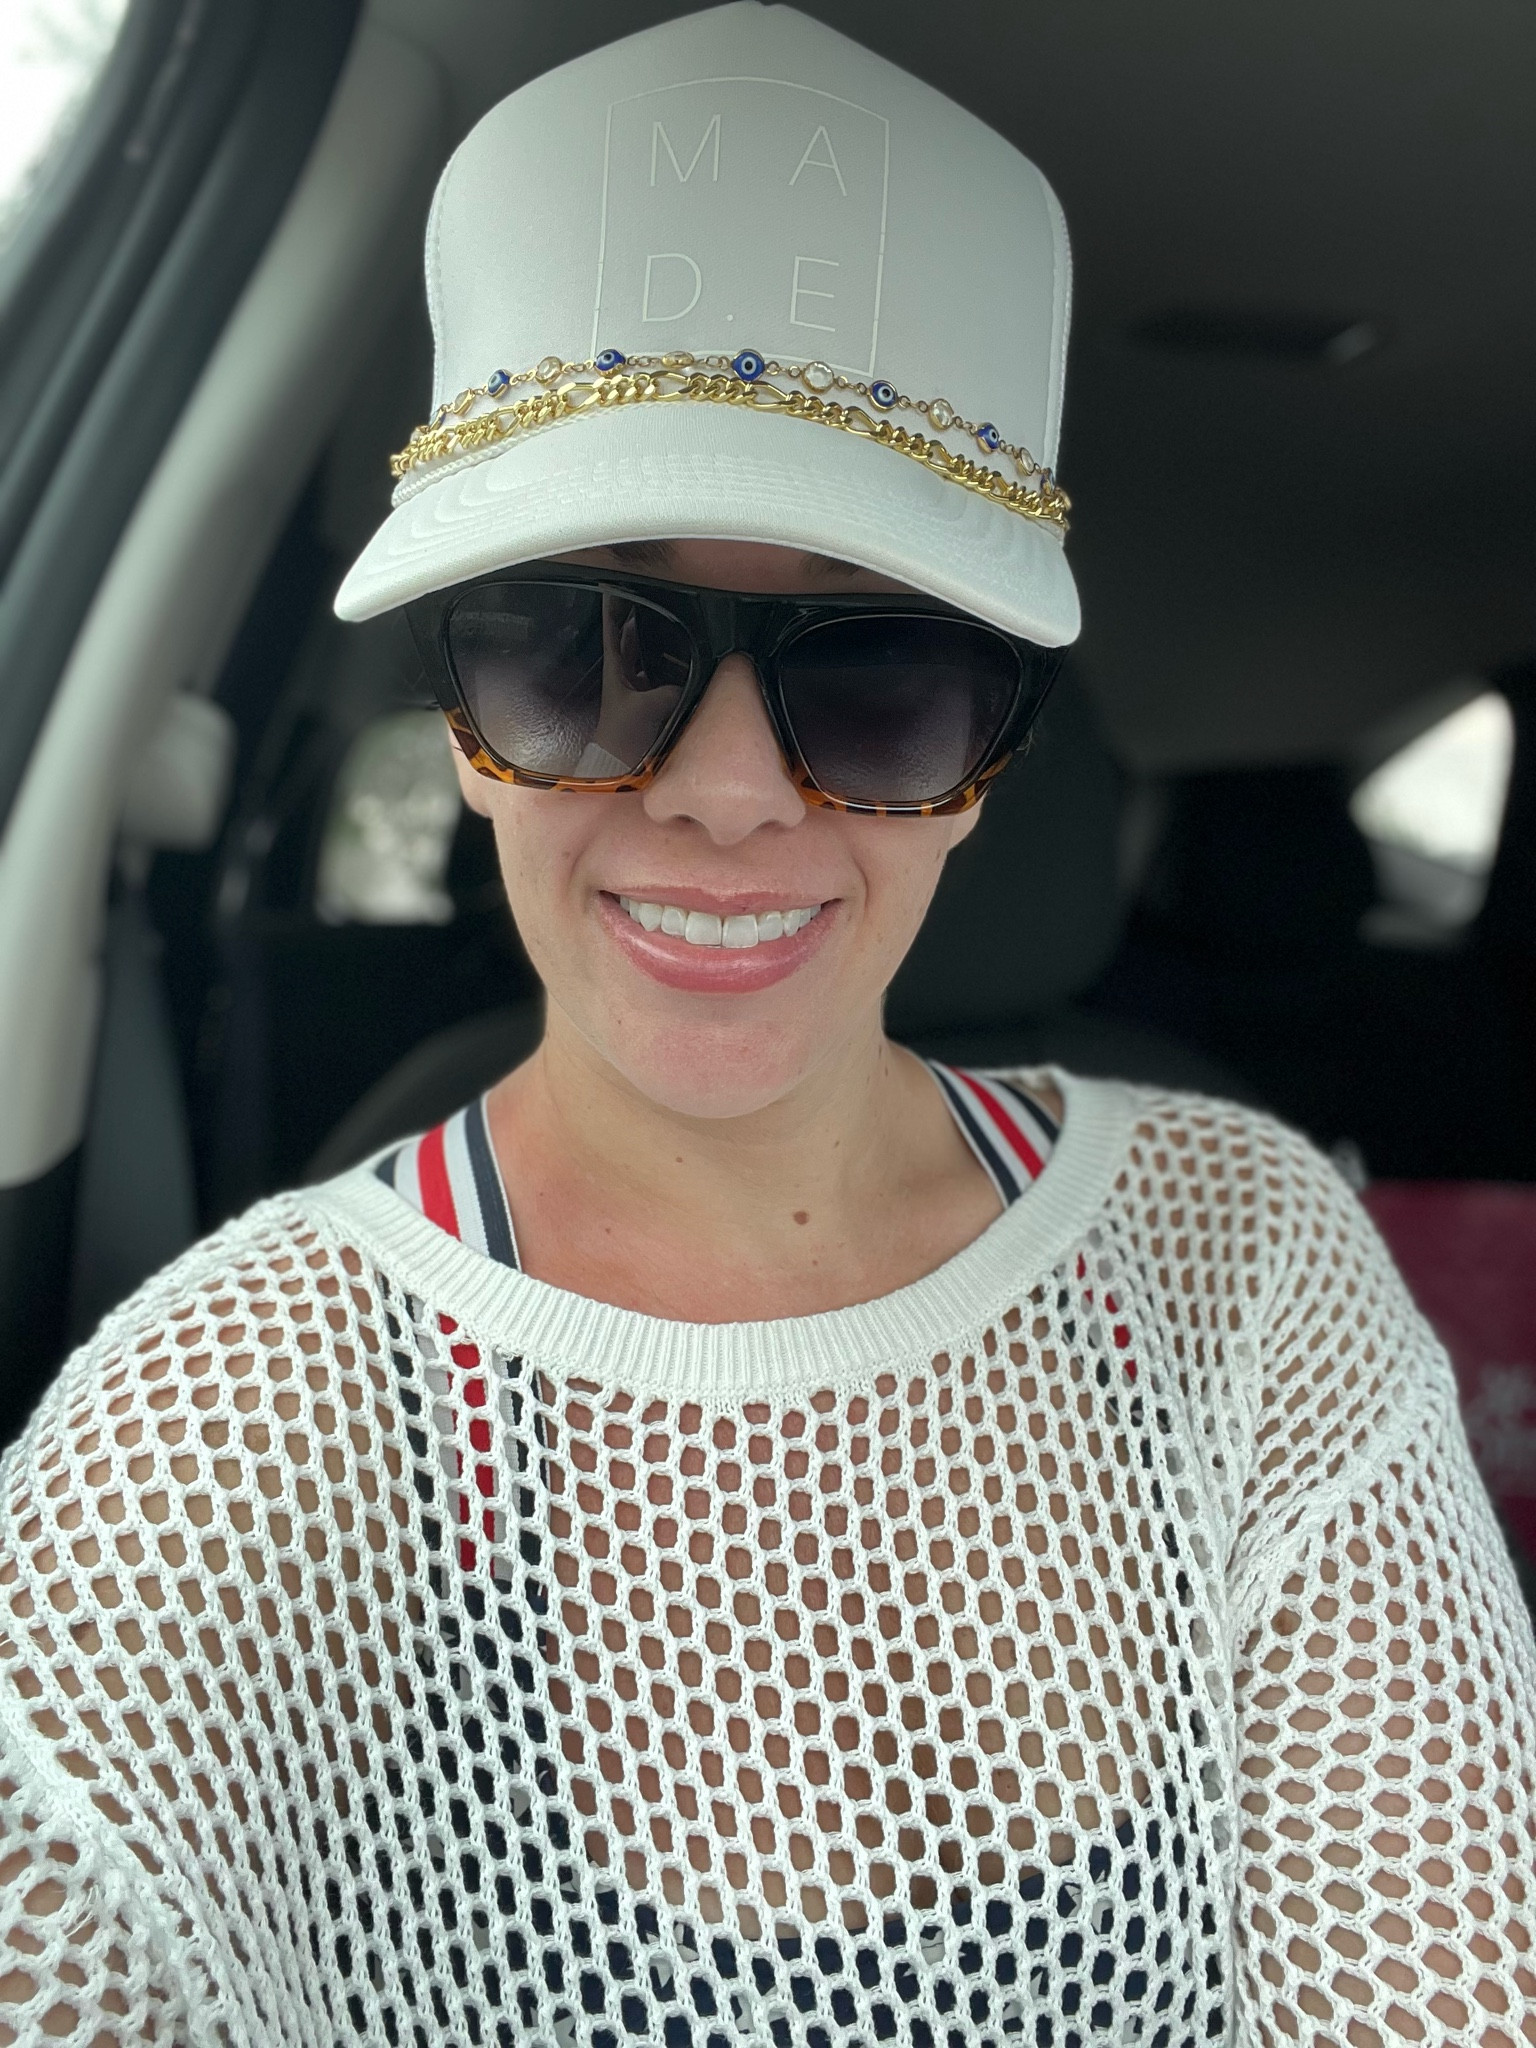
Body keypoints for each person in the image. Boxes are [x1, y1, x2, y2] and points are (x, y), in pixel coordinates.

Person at [2, 7, 1533, 2045]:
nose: (727, 790)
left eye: (879, 667)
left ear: (991, 759)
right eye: (582, 651)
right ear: (464, 727)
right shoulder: (211, 1424)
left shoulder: (1251, 1274)